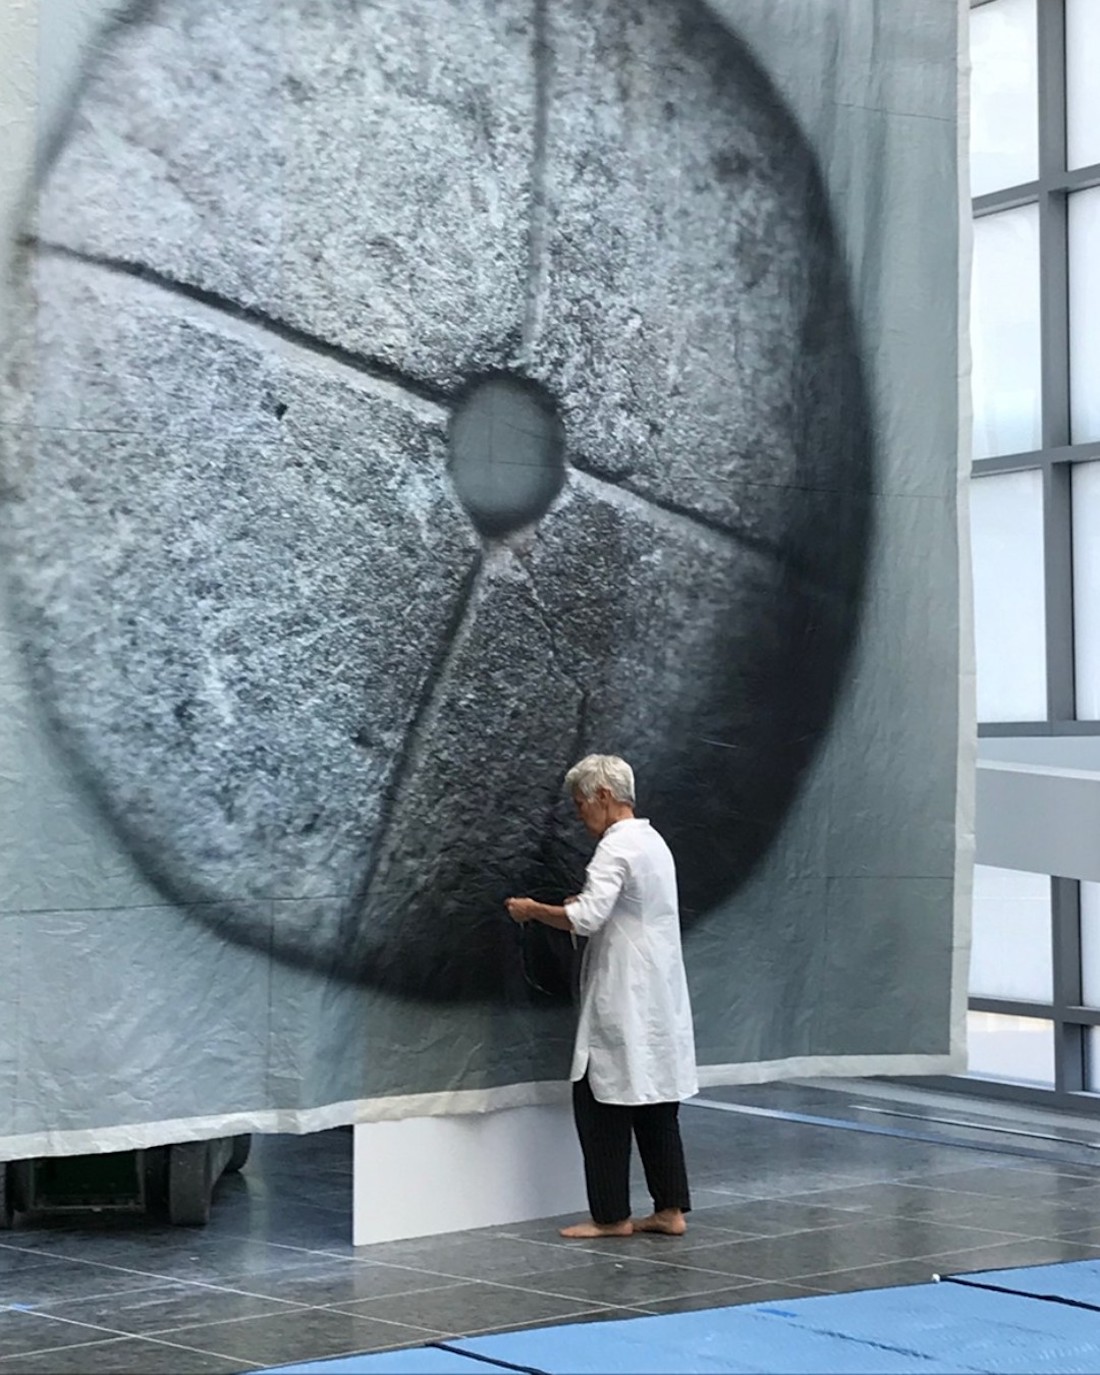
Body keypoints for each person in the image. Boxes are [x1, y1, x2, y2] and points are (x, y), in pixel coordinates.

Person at [506, 754, 698, 1239]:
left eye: (581, 805)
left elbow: (588, 919)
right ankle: (670, 1208)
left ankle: (611, 1215)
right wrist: (579, 904)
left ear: (604, 798)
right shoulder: (653, 842)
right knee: (657, 1103)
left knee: (600, 1102)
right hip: (658, 989)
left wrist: (534, 911)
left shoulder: (615, 848)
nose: (580, 817)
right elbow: (622, 909)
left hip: (624, 990)